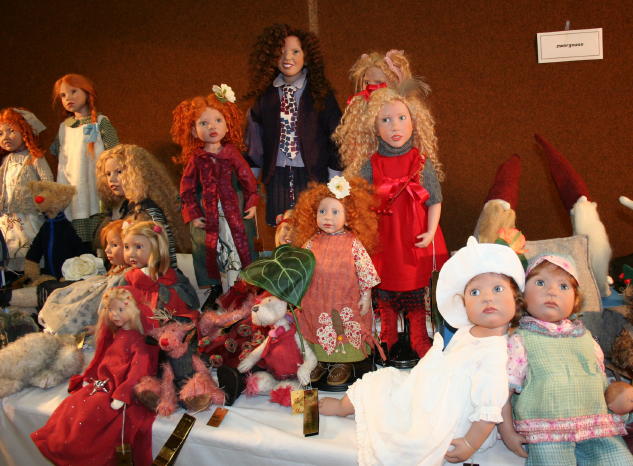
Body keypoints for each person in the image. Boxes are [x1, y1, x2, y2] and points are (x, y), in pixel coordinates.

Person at [319, 237, 525, 465]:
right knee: (383, 383)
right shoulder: (466, 331)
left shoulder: (495, 353)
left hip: (452, 417)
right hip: (432, 391)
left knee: (393, 403)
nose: (487, 297)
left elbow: (493, 403)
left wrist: (470, 443)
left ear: (516, 299)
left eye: (498, 289)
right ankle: (343, 406)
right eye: (475, 292)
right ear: (464, 304)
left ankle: (344, 407)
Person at [334, 85, 447, 360]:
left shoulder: (421, 162)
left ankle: (418, 336)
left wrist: (431, 231)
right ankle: (388, 335)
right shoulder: (369, 164)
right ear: (374, 127)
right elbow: (358, 201)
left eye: (401, 118)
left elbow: (435, 200)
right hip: (384, 237)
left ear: (413, 122)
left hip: (415, 236)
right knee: (384, 287)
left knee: (415, 287)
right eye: (385, 120)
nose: (394, 126)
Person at [499, 254, 633, 465]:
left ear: (575, 300)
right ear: (522, 294)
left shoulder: (586, 338)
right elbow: (502, 393)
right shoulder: (521, 341)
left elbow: (600, 381)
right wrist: (506, 431)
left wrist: (617, 395)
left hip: (597, 426)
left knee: (621, 461)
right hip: (547, 433)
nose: (552, 291)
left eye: (563, 286)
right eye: (540, 282)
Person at [31, 286, 158, 465]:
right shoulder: (116, 334)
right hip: (102, 385)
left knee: (90, 415)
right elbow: (104, 359)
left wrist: (122, 394)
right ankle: (62, 445)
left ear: (133, 310)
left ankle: (78, 452)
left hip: (117, 391)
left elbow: (138, 371)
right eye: (110, 310)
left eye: (120, 310)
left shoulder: (139, 342)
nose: (114, 315)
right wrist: (91, 378)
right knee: (71, 406)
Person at [245, 23, 342, 225]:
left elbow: (337, 135)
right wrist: (250, 181)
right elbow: (255, 142)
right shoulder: (266, 97)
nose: (288, 58)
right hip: (277, 176)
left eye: (295, 51)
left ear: (306, 55)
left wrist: (336, 178)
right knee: (282, 227)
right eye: (281, 52)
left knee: (312, 226)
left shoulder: (320, 94)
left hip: (313, 174)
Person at [291, 175, 379, 386]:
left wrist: (366, 296)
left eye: (335, 212)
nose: (327, 217)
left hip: (345, 299)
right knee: (316, 325)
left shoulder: (353, 243)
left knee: (344, 327)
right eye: (322, 211)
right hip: (316, 300)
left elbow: (365, 271)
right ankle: (322, 360)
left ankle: (344, 362)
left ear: (349, 217)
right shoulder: (312, 242)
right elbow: (301, 266)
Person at [171, 85, 258, 294]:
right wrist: (192, 214)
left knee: (239, 246)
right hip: (208, 215)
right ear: (194, 130)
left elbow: (248, 180)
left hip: (234, 213)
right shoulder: (196, 159)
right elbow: (186, 190)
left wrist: (252, 202)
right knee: (209, 249)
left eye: (218, 120)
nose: (212, 127)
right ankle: (217, 288)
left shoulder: (232, 153)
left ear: (228, 125)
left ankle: (242, 287)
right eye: (204, 123)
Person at [51, 74, 119, 245]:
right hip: (74, 196)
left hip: (95, 193)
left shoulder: (101, 122)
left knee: (101, 240)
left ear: (87, 92)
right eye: (63, 95)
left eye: (73, 91)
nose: (68, 98)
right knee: (77, 244)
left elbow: (116, 153)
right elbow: (59, 156)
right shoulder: (64, 128)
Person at [0, 107, 53, 271]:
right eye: (0, 133)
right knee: (10, 246)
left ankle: (33, 271)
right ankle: (12, 273)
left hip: (29, 214)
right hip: (9, 216)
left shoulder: (34, 158)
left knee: (30, 244)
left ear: (25, 132)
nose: (5, 137)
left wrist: (46, 201)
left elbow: (47, 181)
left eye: (11, 131)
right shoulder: (6, 161)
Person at [120, 220, 199, 328]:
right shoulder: (128, 277)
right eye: (126, 247)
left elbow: (190, 298)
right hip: (138, 325)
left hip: (170, 324)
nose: (130, 253)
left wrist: (168, 292)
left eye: (138, 247)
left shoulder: (170, 275)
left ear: (156, 248)